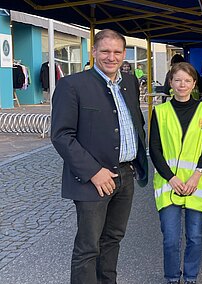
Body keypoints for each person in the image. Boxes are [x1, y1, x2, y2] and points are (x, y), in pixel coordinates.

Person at [50, 29, 148, 284]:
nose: (111, 57)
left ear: (124, 54)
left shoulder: (129, 82)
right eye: (105, 51)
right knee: (88, 247)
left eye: (117, 52)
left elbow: (135, 122)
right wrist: (94, 171)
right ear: (93, 52)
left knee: (113, 239)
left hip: (125, 174)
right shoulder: (72, 85)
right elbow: (62, 135)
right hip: (94, 179)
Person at [149, 62, 202, 284]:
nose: (182, 85)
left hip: (196, 183)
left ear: (194, 84)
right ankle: (171, 278)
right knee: (171, 239)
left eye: (187, 80)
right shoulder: (160, 112)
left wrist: (196, 175)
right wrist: (172, 178)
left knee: (195, 237)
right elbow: (155, 149)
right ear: (170, 82)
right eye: (177, 80)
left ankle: (190, 278)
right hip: (169, 185)